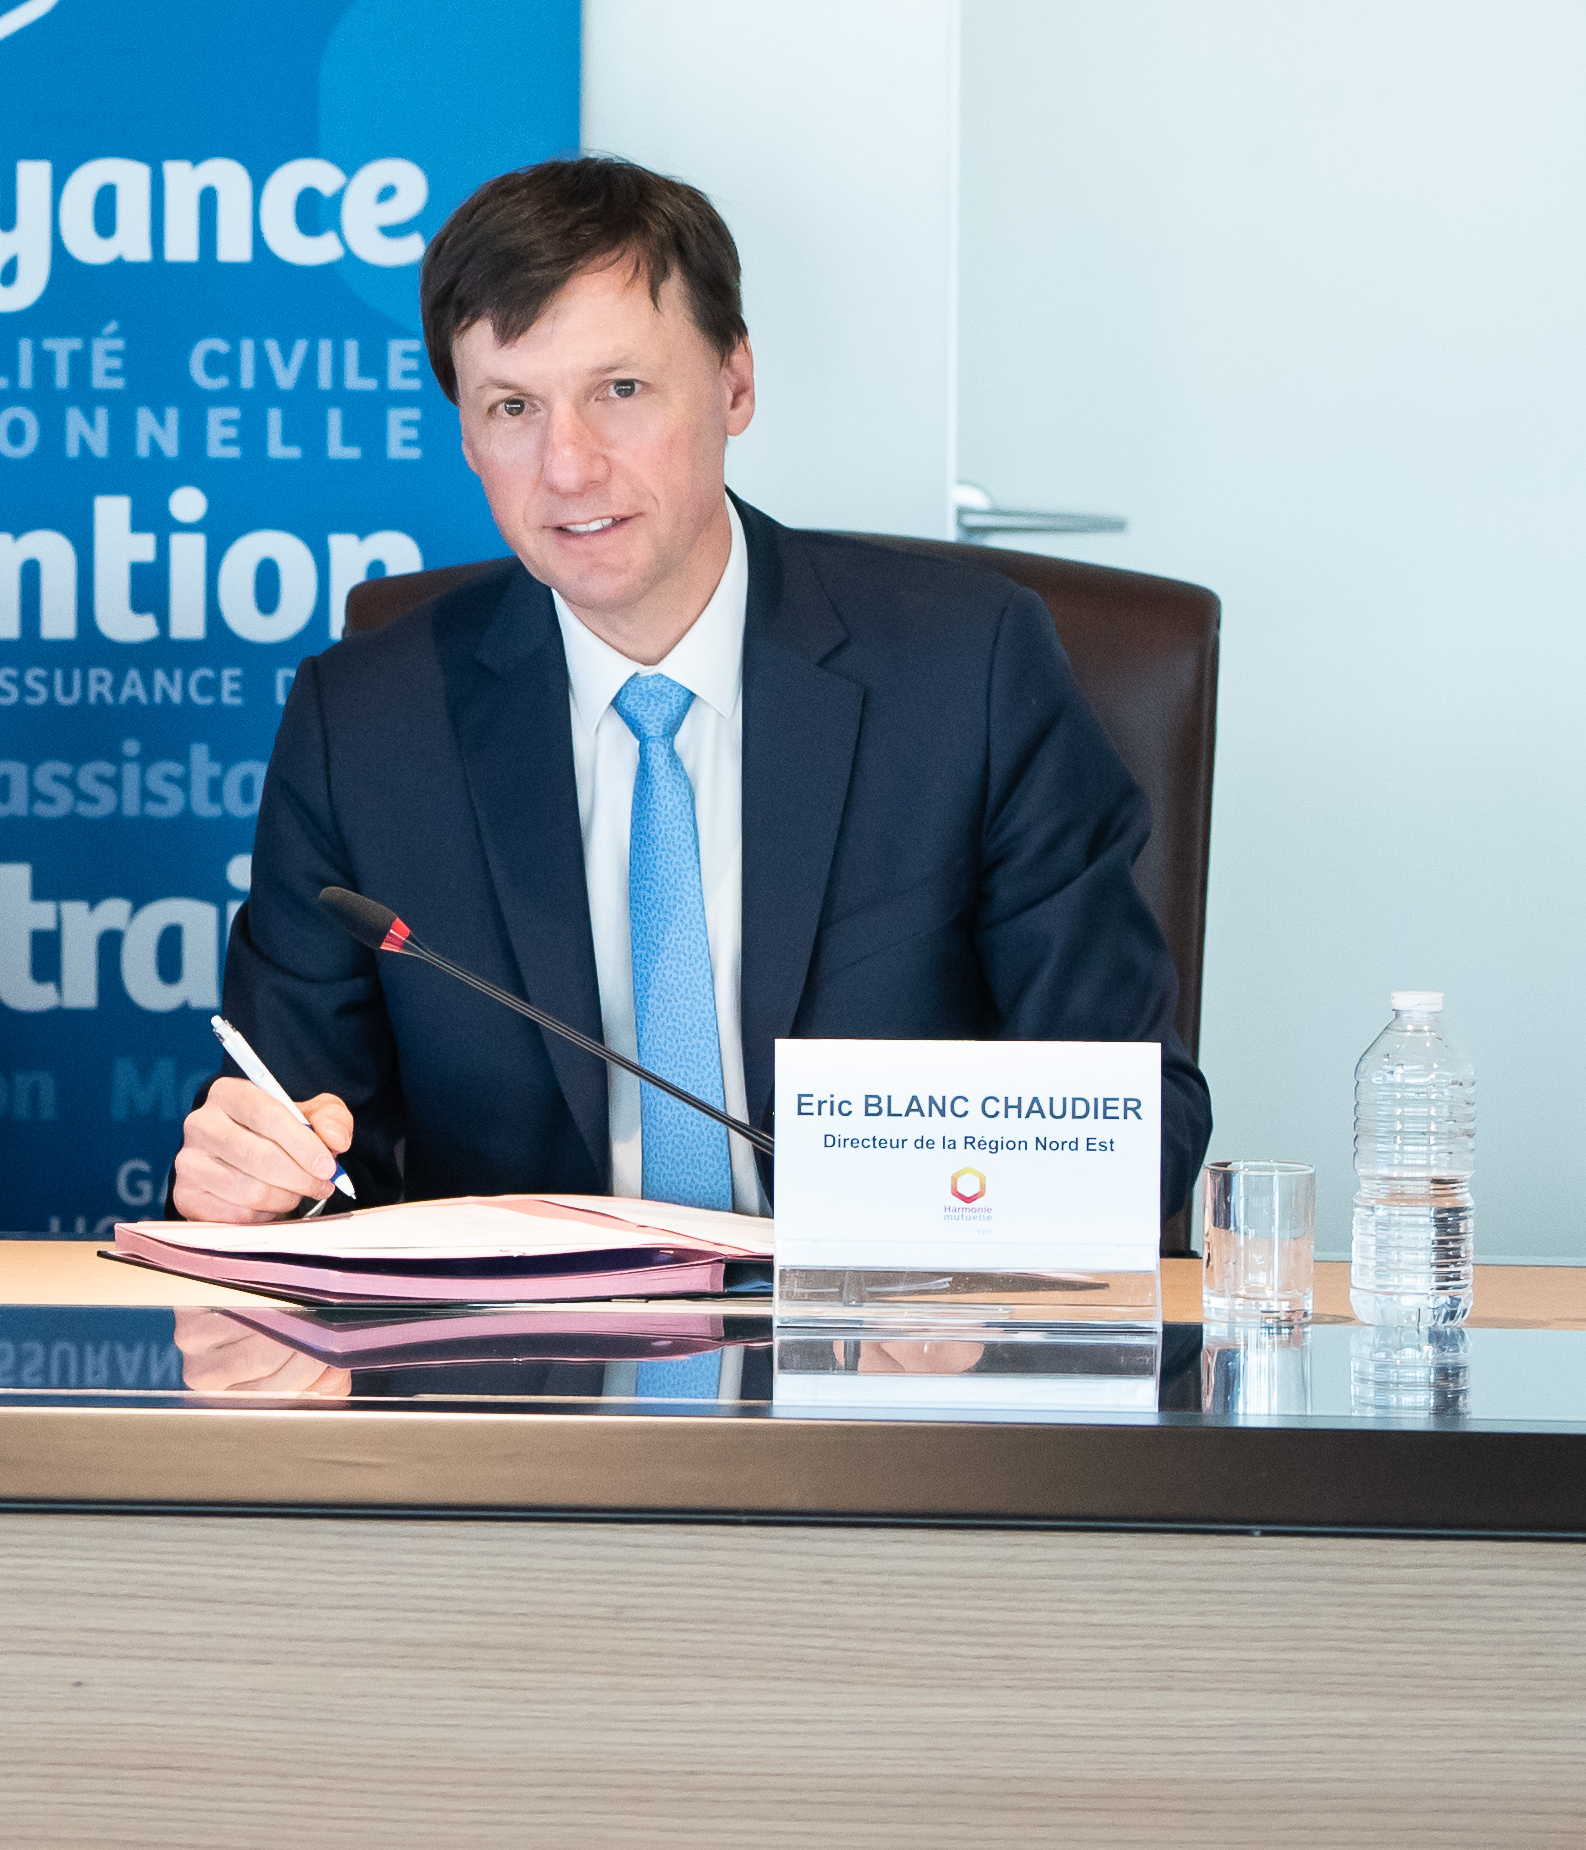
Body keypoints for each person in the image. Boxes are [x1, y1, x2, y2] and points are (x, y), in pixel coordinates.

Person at [184, 156, 1209, 1238]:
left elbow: (1138, 1120)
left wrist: (952, 1256)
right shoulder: (367, 727)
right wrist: (255, 1182)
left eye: (619, 391)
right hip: (521, 1343)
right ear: (468, 440)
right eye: (513, 406)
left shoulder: (968, 672)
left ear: (734, 384)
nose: (567, 466)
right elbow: (300, 1144)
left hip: (883, 1325)